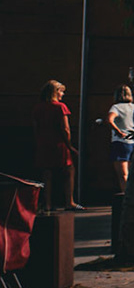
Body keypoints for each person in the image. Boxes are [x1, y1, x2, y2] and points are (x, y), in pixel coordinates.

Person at [32, 80, 82, 209]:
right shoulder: (60, 107)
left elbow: (36, 127)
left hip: (43, 142)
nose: (63, 94)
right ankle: (69, 202)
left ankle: (47, 203)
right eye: (61, 91)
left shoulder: (38, 107)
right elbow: (65, 128)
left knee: (47, 173)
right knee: (68, 170)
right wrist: (69, 145)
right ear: (55, 92)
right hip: (59, 143)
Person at [107, 86, 134, 191]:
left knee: (123, 174)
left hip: (121, 141)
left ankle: (126, 195)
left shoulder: (116, 107)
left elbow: (110, 120)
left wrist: (117, 130)